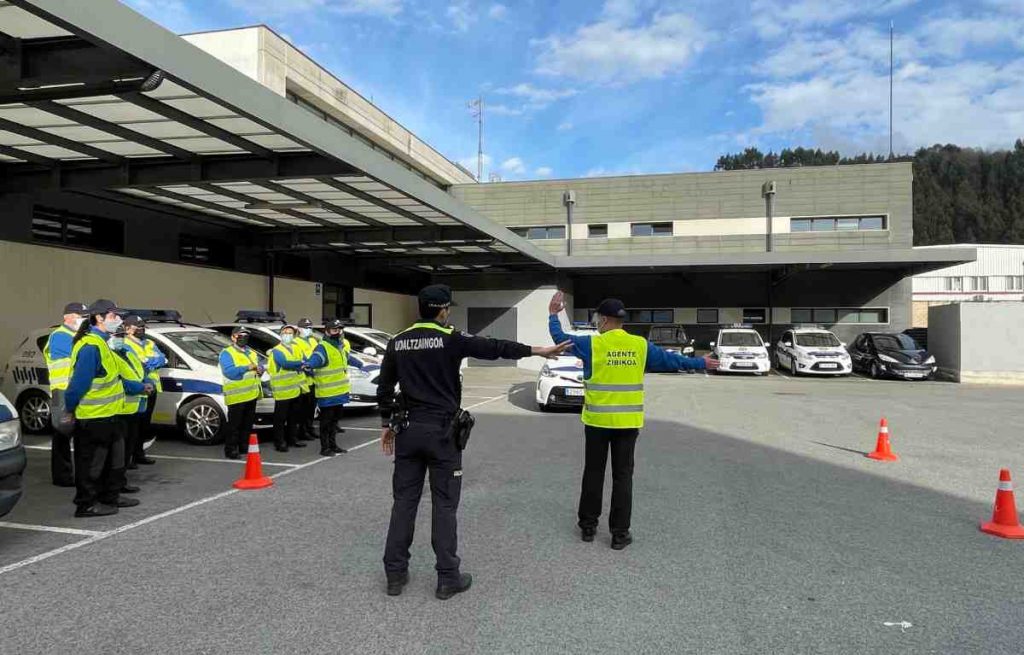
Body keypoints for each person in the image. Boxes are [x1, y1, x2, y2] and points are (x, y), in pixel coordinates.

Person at [378, 284, 571, 600]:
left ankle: (395, 576)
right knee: (444, 505)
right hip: (442, 434)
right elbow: (493, 347)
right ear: (442, 310)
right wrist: (538, 350)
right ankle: (447, 578)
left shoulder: (398, 342)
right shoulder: (451, 338)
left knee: (403, 503)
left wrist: (387, 424)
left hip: (409, 432)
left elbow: (384, 387)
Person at [548, 291, 718, 549]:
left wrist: (553, 314)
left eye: (597, 319)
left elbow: (560, 339)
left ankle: (588, 527)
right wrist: (701, 363)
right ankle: (619, 534)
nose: (596, 323)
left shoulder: (591, 344)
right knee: (622, 477)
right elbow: (672, 361)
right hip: (628, 424)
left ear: (604, 320)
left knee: (593, 473)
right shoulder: (640, 345)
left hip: (597, 423)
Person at [63, 299, 141, 518]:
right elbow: (78, 385)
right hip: (94, 418)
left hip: (110, 415)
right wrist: (70, 409)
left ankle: (110, 496)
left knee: (114, 461)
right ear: (99, 318)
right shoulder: (90, 346)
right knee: (92, 465)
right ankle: (86, 504)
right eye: (113, 316)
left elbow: (115, 378)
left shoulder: (103, 343)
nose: (118, 320)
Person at [42, 302, 88, 487]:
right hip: (61, 391)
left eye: (83, 316)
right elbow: (77, 357)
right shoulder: (60, 335)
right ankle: (62, 476)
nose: (82, 319)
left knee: (77, 433)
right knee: (62, 434)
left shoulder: (77, 336)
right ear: (67, 316)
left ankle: (76, 474)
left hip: (75, 390)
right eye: (79, 315)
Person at [110, 326, 153, 494]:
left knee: (128, 449)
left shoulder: (128, 353)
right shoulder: (110, 356)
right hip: (119, 409)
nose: (120, 339)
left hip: (134, 408)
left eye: (121, 335)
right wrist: (142, 387)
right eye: (117, 335)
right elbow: (120, 381)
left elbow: (142, 370)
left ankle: (121, 481)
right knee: (117, 452)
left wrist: (147, 382)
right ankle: (115, 484)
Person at [124, 315, 165, 467]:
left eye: (142, 326)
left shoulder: (149, 342)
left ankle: (139, 454)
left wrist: (150, 362)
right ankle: (128, 458)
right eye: (137, 327)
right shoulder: (125, 344)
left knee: (144, 424)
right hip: (137, 388)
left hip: (152, 387)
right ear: (127, 328)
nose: (141, 329)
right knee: (133, 426)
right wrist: (149, 361)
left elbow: (162, 358)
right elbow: (137, 364)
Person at [219, 326, 263, 460]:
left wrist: (260, 370)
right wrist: (247, 367)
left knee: (247, 424)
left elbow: (256, 368)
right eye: (240, 335)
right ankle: (231, 449)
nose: (243, 338)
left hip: (251, 393)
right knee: (234, 425)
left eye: (246, 335)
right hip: (236, 395)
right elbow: (229, 372)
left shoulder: (251, 352)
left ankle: (244, 447)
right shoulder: (227, 353)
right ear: (233, 337)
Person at [307, 319, 350, 457]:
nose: (338, 332)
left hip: (339, 392)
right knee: (326, 422)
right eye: (334, 330)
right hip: (327, 393)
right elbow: (316, 359)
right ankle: (324, 448)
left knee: (334, 422)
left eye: (339, 330)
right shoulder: (323, 347)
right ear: (327, 331)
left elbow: (347, 360)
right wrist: (310, 364)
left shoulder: (339, 346)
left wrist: (362, 365)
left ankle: (333, 445)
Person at [267, 325, 308, 452]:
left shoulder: (297, 348)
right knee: (280, 419)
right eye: (285, 332)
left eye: (290, 333)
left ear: (294, 335)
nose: (287, 335)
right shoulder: (276, 350)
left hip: (295, 389)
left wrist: (302, 363)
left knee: (293, 417)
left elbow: (306, 360)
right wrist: (300, 364)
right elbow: (284, 363)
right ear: (280, 335)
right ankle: (279, 442)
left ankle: (292, 439)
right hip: (282, 391)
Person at [294, 318, 319, 442]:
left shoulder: (313, 340)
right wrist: (310, 370)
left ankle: (310, 428)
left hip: (313, 380)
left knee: (311, 407)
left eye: (310, 327)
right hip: (304, 380)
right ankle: (302, 431)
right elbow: (301, 359)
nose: (308, 330)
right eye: (306, 327)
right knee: (302, 409)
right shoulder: (296, 342)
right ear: (299, 329)